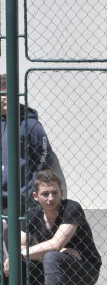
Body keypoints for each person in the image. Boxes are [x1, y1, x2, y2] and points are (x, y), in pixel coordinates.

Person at [2, 170, 101, 285]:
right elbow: (19, 245)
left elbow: (55, 245)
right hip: (53, 269)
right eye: (45, 194)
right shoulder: (33, 214)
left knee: (52, 257)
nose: (50, 198)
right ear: (35, 196)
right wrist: (22, 254)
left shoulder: (71, 208)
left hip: (84, 269)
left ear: (61, 193)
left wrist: (44, 250)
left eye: (54, 193)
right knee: (23, 263)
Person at [0, 74, 62, 214]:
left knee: (14, 235)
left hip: (19, 199)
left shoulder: (30, 124)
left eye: (7, 92)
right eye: (1, 93)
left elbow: (44, 157)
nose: (4, 97)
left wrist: (29, 185)